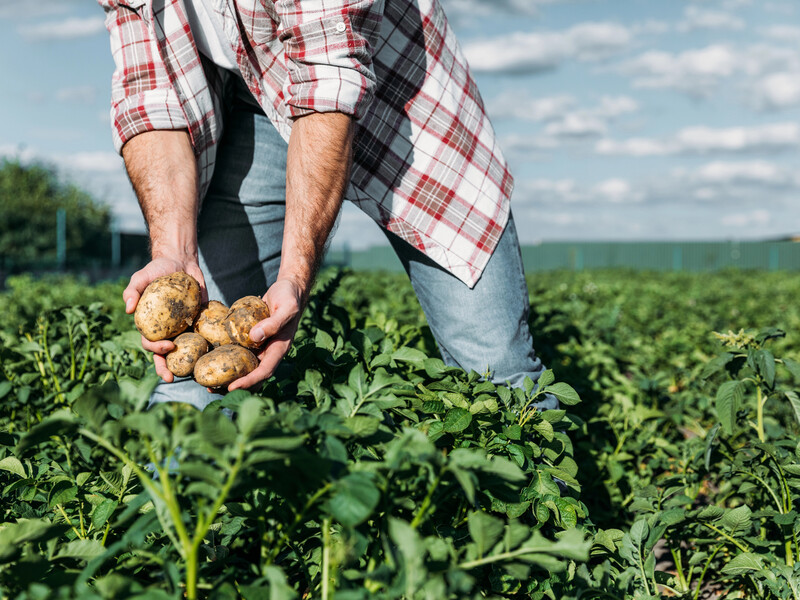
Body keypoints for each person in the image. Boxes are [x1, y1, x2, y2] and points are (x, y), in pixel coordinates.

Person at [98, 0, 557, 412]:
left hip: (404, 101)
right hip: (247, 100)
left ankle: (537, 493)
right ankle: (184, 501)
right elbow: (149, 97)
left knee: (498, 375)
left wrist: (295, 278)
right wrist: (173, 254)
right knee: (188, 376)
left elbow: (327, 77)